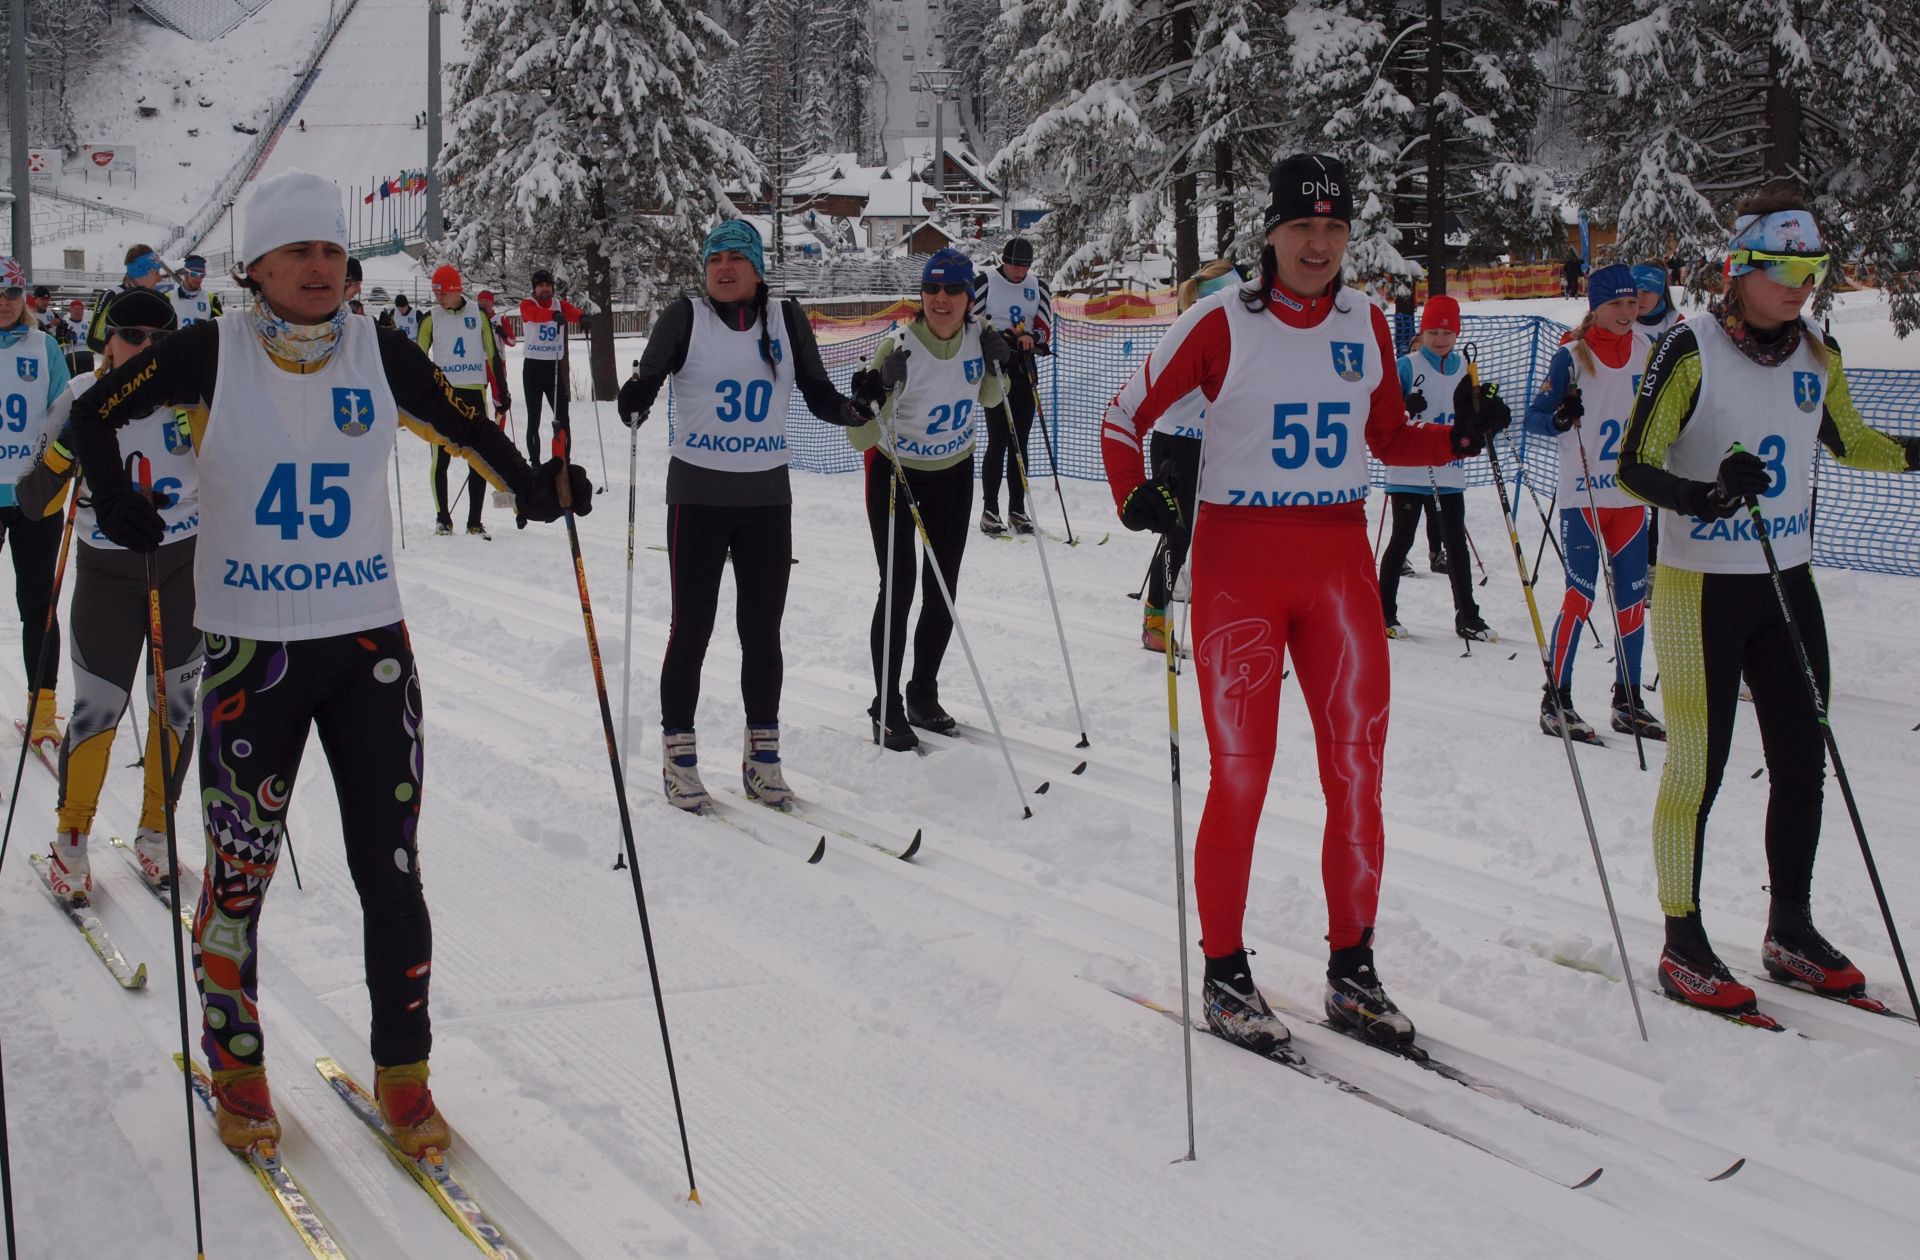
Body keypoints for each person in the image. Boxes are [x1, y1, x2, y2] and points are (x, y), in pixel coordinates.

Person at [67, 168, 593, 1157]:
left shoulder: (377, 347)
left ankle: (406, 1074)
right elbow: (95, 415)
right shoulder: (208, 349)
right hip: (248, 658)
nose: (320, 267)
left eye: (332, 252)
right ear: (256, 265)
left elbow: (467, 424)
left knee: (390, 872)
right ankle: (239, 1070)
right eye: (298, 251)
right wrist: (114, 495)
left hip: (366, 650)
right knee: (238, 880)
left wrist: (534, 485)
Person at [1099, 154, 1507, 1051]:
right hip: (1240, 566)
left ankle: (1352, 968)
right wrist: (1136, 494)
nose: (1318, 245)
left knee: (1357, 773)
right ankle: (1224, 969)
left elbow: (1392, 435)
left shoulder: (1368, 322)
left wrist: (1461, 434)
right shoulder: (1219, 323)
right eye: (1301, 228)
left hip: (1339, 567)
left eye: (1333, 229)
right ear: (1271, 235)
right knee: (1241, 773)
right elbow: (1120, 417)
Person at [1617, 185, 1920, 1019]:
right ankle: (1683, 941)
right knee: (1697, 769)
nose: (1801, 285)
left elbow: (1852, 440)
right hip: (1699, 588)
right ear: (1740, 270)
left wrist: (1918, 453)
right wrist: (1706, 493)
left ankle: (1790, 926)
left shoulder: (1819, 356)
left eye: (1813, 269)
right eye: (1785, 268)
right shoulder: (1690, 347)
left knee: (1801, 760)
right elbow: (1635, 466)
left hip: (1788, 581)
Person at [616, 219, 870, 810]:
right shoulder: (685, 316)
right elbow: (648, 377)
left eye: (735, 257)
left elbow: (817, 392)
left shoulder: (786, 319)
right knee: (693, 630)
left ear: (758, 268)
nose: (723, 268)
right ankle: (679, 757)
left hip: (765, 500)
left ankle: (763, 759)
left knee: (762, 633)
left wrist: (856, 409)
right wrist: (636, 397)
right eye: (713, 259)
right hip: (698, 499)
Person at [16, 288, 201, 901]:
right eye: (133, 336)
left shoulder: (192, 395)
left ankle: (156, 830)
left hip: (183, 568)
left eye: (160, 339)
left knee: (175, 706)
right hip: (108, 572)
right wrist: (69, 447)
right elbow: (33, 498)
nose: (146, 349)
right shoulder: (79, 396)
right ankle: (72, 837)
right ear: (107, 338)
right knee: (99, 708)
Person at [843, 248, 1011, 750]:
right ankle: (886, 704)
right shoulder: (898, 345)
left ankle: (922, 692)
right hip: (898, 475)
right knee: (898, 587)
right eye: (932, 289)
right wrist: (876, 393)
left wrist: (998, 366)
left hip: (953, 474)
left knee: (942, 589)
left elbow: (988, 398)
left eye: (952, 290)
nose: (941, 299)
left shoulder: (977, 338)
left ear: (968, 298)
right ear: (921, 295)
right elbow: (859, 437)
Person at [1524, 264, 1663, 742]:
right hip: (1582, 496)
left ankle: (1628, 699)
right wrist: (1561, 417)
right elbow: (1534, 418)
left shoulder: (1648, 350)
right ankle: (1555, 698)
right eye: (1615, 304)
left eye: (1632, 303)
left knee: (1630, 600)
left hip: (1628, 496)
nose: (1626, 313)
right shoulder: (1572, 355)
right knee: (1579, 596)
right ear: (1595, 307)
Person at [1377, 294, 1495, 643]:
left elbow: (1472, 416)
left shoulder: (1464, 368)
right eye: (1432, 332)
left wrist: (1485, 422)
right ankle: (1384, 612)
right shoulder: (1408, 365)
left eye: (1446, 332)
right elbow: (1382, 413)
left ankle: (1467, 616)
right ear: (1422, 332)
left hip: (1448, 470)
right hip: (1409, 471)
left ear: (1456, 334)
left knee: (1455, 545)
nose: (1439, 339)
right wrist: (1404, 406)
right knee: (1402, 541)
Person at [1140, 259, 1239, 653]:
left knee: (1216, 535)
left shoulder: (1229, 334)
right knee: (1177, 536)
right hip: (1178, 445)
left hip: (1209, 444)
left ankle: (1220, 622)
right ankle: (1156, 621)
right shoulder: (1191, 333)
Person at [0, 256, 71, 762]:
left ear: (23, 296)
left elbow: (64, 413)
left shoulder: (43, 346)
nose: (2, 301)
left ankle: (42, 705)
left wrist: (56, 473)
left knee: (37, 604)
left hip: (32, 494)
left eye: (9, 292)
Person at [417, 264, 510, 538]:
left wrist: (501, 393)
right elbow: (417, 360)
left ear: (455, 290)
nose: (439, 299)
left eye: (443, 293)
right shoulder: (430, 318)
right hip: (443, 395)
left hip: (473, 393)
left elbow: (493, 356)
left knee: (478, 458)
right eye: (435, 294)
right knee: (440, 459)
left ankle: (474, 521)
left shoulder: (477, 315)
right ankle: (443, 519)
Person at [969, 236, 1052, 535]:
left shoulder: (1038, 287)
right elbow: (971, 320)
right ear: (1003, 261)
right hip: (995, 370)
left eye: (1025, 266)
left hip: (1024, 368)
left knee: (1021, 441)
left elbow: (1044, 327)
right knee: (998, 440)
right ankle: (989, 509)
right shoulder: (985, 282)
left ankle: (1017, 508)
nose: (1020, 272)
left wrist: (1033, 339)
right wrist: (995, 338)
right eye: (1015, 265)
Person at [519, 269, 584, 464]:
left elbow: (571, 311)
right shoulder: (528, 304)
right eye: (541, 286)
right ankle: (535, 464)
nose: (545, 289)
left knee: (563, 417)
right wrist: (553, 315)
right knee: (534, 418)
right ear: (535, 289)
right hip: (533, 368)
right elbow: (535, 315)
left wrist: (582, 318)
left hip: (553, 368)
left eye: (548, 285)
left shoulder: (559, 305)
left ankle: (564, 460)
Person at [1633, 262, 1683, 339]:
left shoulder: (1676, 322)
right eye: (1634, 291)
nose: (1638, 299)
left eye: (1647, 291)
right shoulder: (1619, 321)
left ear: (1660, 294)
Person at [171, 255, 223, 328]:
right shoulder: (169, 298)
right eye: (194, 274)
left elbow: (219, 329)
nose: (198, 278)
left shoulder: (212, 299)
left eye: (202, 275)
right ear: (185, 273)